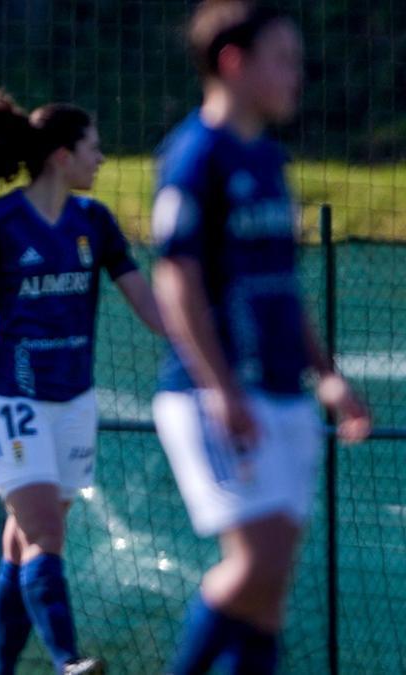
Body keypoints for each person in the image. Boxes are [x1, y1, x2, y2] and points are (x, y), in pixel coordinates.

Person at [148, 3, 370, 672]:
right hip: (215, 396)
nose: (296, 75)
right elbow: (175, 281)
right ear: (232, 62)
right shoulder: (195, 154)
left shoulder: (270, 157)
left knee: (269, 595)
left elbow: (282, 283)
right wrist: (221, 388)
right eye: (283, 59)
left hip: (283, 393)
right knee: (259, 563)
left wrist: (325, 372)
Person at [0, 86, 163, 675]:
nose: (101, 159)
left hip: (73, 401)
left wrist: (209, 341)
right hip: (9, 400)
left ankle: (1, 670)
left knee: (24, 543)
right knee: (45, 532)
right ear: (61, 155)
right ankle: (67, 660)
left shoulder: (94, 222)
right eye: (93, 147)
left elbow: (149, 306)